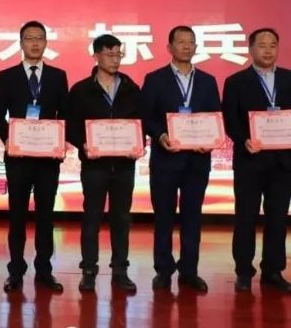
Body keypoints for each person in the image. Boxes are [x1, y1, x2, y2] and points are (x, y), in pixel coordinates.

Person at [141, 26, 220, 292]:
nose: (187, 46)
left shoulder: (208, 81)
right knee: (163, 217)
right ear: (169, 47)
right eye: (181, 41)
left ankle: (189, 271)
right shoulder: (155, 79)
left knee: (192, 217)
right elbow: (146, 116)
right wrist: (160, 134)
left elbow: (215, 117)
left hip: (197, 161)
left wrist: (210, 140)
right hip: (166, 159)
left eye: (191, 42)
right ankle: (163, 270)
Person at [0, 20, 68, 292]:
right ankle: (15, 270)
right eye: (29, 38)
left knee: (46, 216)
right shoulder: (7, 75)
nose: (34, 43)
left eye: (39, 38)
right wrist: (9, 139)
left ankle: (44, 270)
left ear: (46, 43)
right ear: (21, 43)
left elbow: (65, 114)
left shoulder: (58, 76)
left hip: (48, 159)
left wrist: (59, 142)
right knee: (17, 216)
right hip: (18, 159)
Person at [66, 34, 142, 293]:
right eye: (109, 54)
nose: (115, 59)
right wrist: (83, 144)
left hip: (124, 166)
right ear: (96, 56)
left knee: (122, 218)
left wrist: (138, 143)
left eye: (118, 54)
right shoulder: (80, 90)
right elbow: (71, 126)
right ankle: (89, 270)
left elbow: (140, 123)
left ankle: (120, 270)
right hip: (94, 166)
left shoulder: (131, 88)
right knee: (92, 218)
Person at [222, 27, 291, 293]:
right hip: (250, 160)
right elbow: (230, 118)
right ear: (250, 49)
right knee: (246, 217)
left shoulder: (288, 78)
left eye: (273, 45)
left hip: (283, 163)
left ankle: (273, 271)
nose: (268, 50)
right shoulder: (236, 81)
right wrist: (243, 140)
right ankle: (243, 271)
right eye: (262, 45)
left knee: (278, 218)